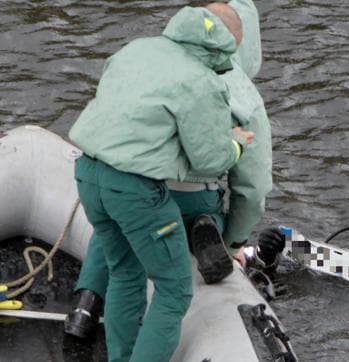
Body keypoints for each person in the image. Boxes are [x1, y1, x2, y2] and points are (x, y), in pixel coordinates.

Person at [64, 0, 273, 342]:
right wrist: (234, 240)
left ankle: (85, 304)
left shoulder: (147, 59)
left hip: (122, 179)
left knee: (114, 237)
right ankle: (207, 231)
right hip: (187, 195)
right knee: (179, 265)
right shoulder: (244, 96)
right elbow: (252, 188)